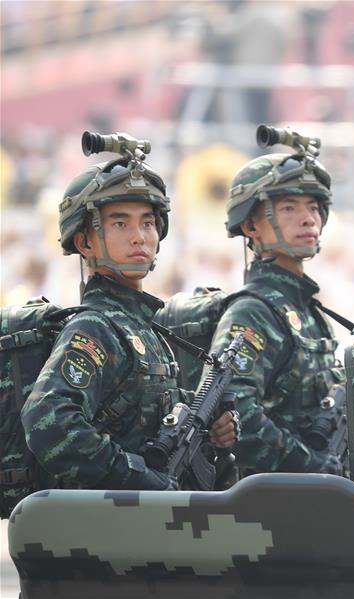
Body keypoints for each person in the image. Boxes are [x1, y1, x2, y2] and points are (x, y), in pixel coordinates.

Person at [22, 134, 236, 490]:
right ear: (85, 242)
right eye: (120, 224)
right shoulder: (94, 327)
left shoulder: (147, 330)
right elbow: (49, 421)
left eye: (148, 223)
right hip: (113, 530)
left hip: (148, 526)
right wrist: (137, 476)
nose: (139, 237)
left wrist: (214, 431)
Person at [207, 131, 342, 475]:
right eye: (288, 208)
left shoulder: (308, 310)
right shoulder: (253, 312)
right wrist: (308, 464)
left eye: (313, 207)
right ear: (252, 224)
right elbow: (236, 411)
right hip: (269, 500)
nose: (308, 218)